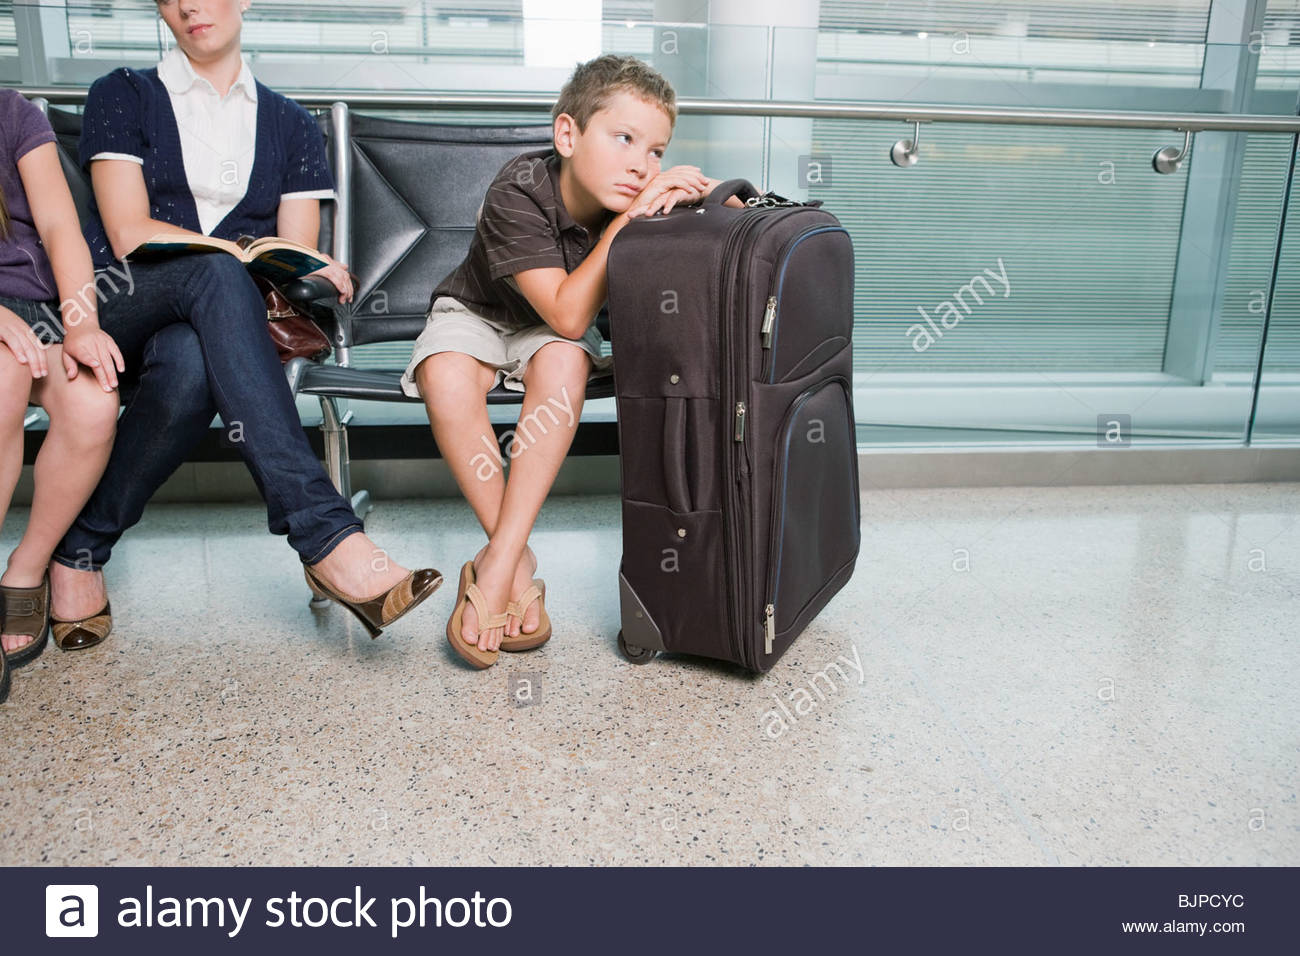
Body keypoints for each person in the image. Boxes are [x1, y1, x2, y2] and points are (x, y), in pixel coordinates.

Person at [48, 0, 440, 646]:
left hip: (215, 330)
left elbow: (292, 252)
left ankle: (79, 552)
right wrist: (234, 253)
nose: (187, 6)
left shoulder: (291, 124)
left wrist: (311, 262)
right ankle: (328, 538)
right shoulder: (122, 94)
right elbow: (127, 233)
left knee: (188, 363)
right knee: (217, 270)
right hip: (121, 304)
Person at [402, 54, 740, 669]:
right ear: (567, 135)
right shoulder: (517, 189)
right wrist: (627, 223)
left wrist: (709, 195)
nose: (641, 165)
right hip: (479, 313)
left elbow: (563, 333)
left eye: (656, 151)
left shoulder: (637, 193)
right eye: (624, 138)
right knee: (443, 371)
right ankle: (515, 559)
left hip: (549, 336)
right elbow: (567, 313)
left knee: (564, 366)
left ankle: (496, 562)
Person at [0, 88, 123, 701]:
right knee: (4, 376)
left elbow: (58, 226)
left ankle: (26, 569)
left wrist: (81, 324)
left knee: (93, 400)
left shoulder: (12, 112)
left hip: (36, 315)